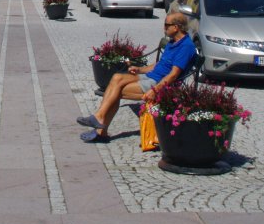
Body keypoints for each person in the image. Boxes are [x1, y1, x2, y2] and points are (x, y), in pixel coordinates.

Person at [76, 13, 196, 143]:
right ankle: (99, 119)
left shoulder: (186, 46)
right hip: (151, 76)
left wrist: (155, 89)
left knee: (116, 91)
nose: (164, 28)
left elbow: (173, 75)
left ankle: (101, 129)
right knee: (117, 78)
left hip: (160, 83)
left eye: (166, 25)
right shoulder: (173, 42)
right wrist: (139, 69)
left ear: (176, 27)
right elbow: (159, 65)